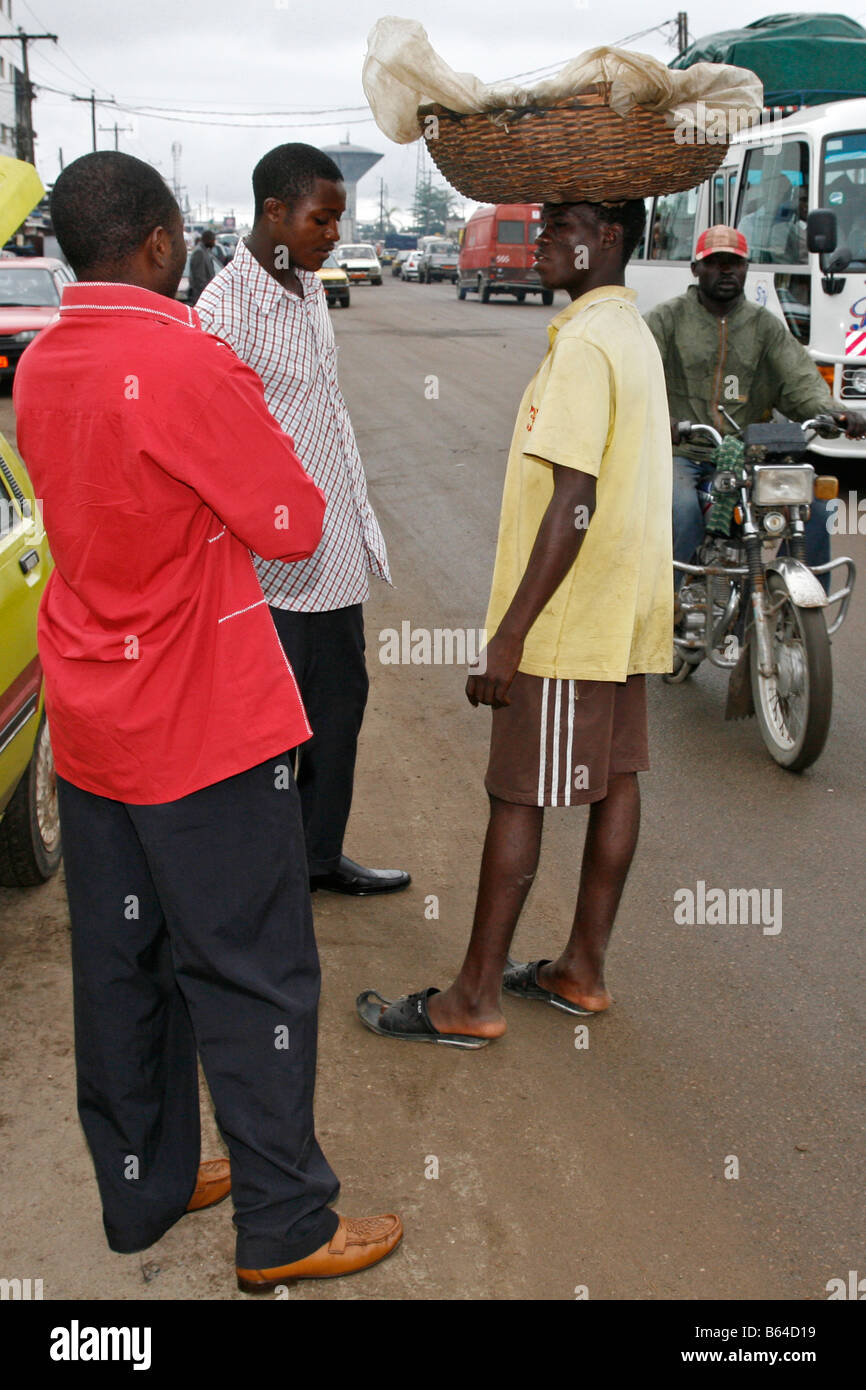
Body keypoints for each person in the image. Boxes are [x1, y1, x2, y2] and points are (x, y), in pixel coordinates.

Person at [14, 151, 402, 1291]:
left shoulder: (39, 368)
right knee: (255, 974)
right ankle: (284, 1224)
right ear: (156, 243)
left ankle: (145, 1183)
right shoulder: (183, 360)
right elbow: (290, 517)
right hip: (197, 728)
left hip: (89, 726)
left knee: (124, 962)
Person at [356, 197, 672, 1046]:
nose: (541, 244)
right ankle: (582, 970)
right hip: (623, 609)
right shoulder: (631, 333)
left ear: (607, 239)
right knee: (616, 779)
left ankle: (473, 999)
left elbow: (575, 499)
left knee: (516, 792)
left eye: (562, 227)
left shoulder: (587, 344)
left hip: (570, 620)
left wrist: (510, 633)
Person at [197, 145, 410, 899]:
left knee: (337, 717)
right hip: (269, 568)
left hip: (336, 556)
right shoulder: (222, 310)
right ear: (274, 214)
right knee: (267, 735)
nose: (332, 235)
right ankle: (265, 878)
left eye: (337, 219)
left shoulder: (310, 288)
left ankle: (320, 858)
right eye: (321, 219)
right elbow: (215, 445)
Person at [644, 225, 866, 594]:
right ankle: (666, 604)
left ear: (746, 268)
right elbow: (635, 377)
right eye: (715, 262)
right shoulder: (666, 320)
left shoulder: (765, 327)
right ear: (696, 269)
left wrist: (834, 412)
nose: (726, 271)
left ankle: (798, 611)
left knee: (813, 509)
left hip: (749, 453)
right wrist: (657, 420)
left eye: (735, 263)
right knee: (680, 511)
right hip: (682, 452)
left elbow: (799, 381)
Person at [188, 227, 217, 303]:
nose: (214, 243)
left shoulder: (205, 251)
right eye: (213, 240)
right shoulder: (199, 252)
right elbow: (199, 279)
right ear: (208, 239)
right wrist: (208, 295)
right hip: (201, 298)